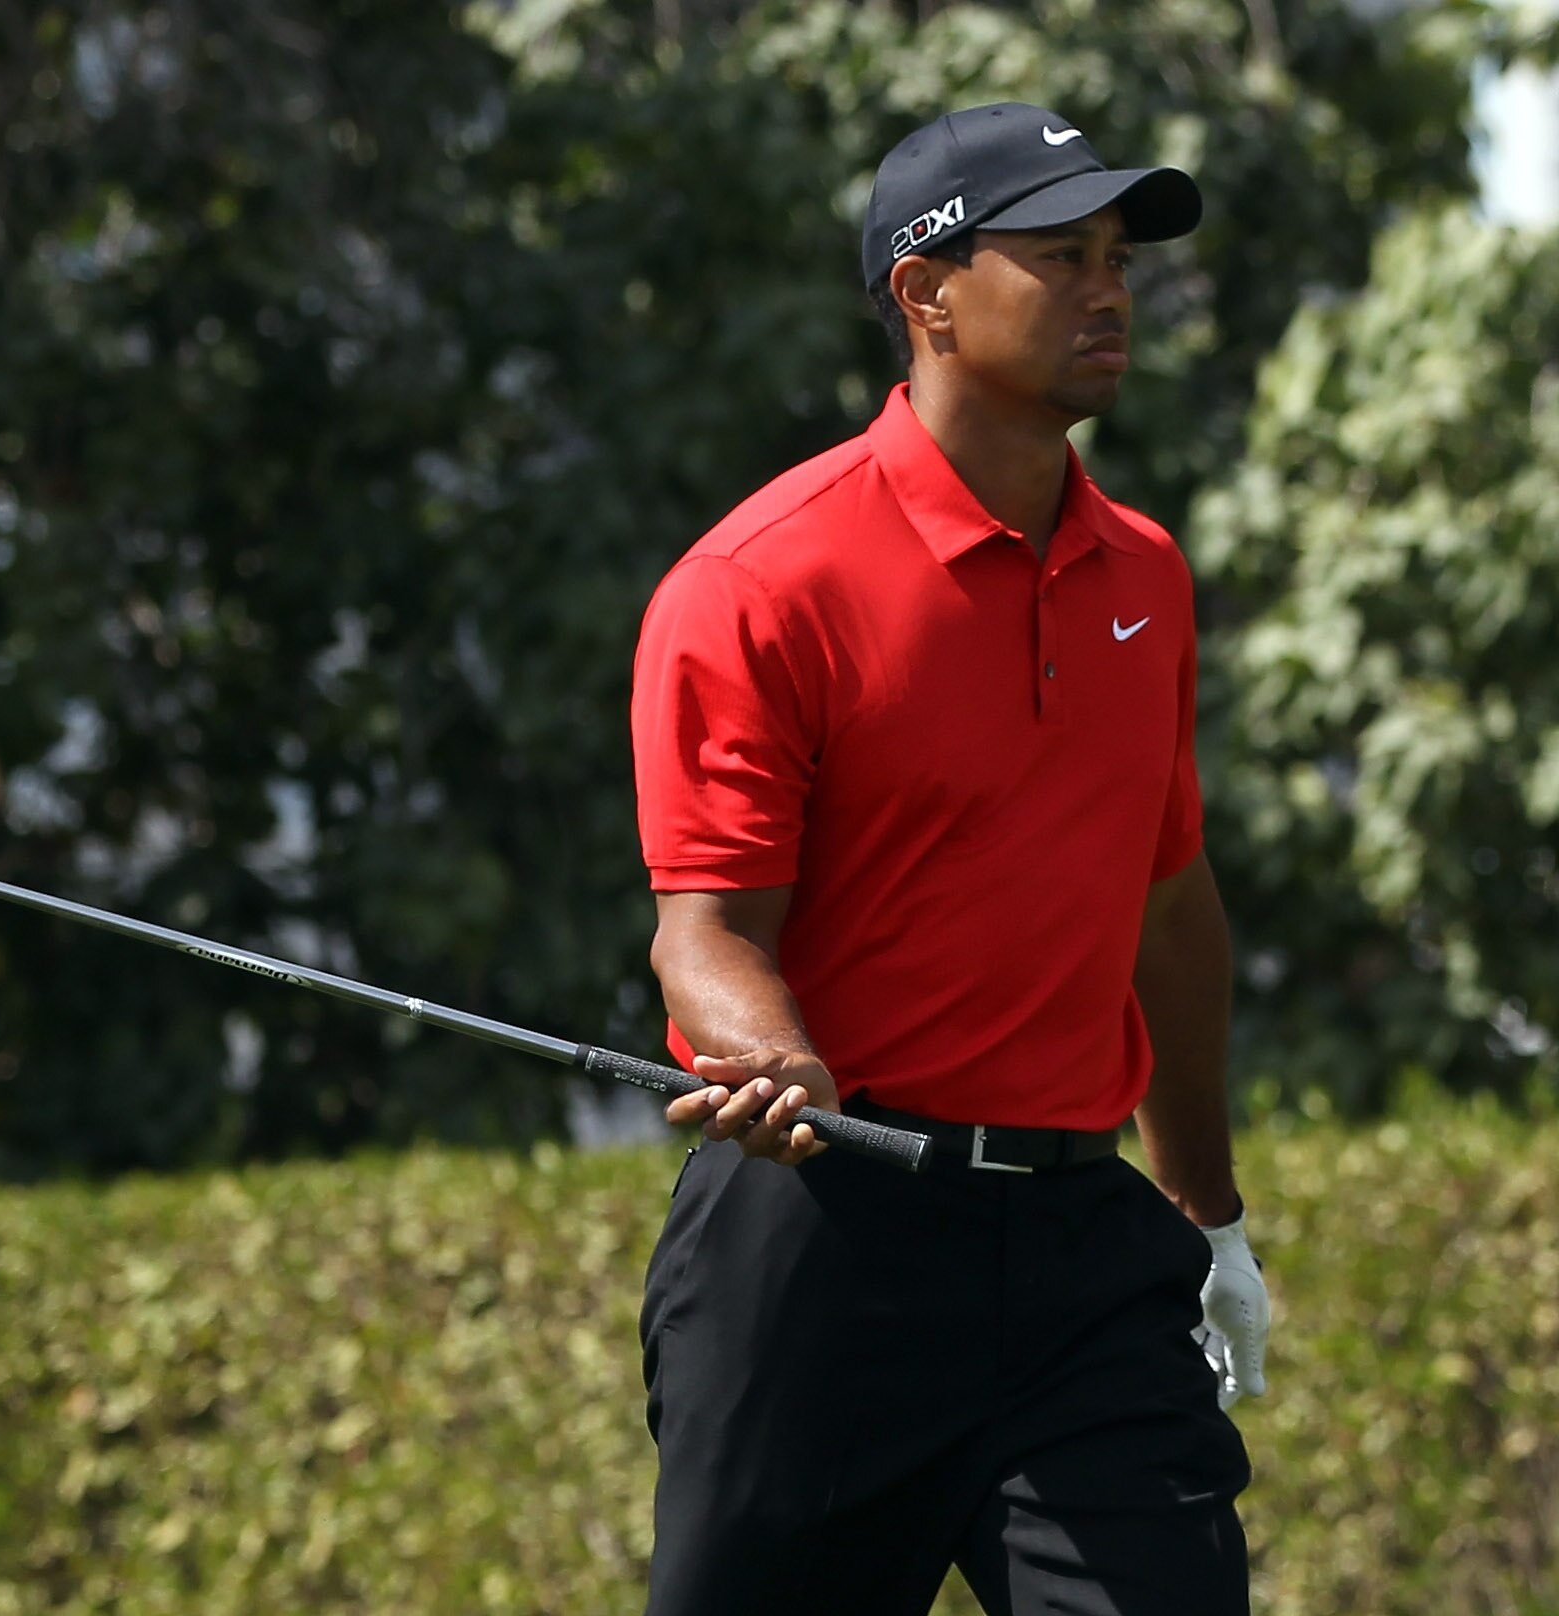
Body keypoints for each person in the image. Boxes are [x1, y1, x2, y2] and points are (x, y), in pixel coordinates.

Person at [628, 103, 1271, 1615]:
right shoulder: (757, 584)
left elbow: (1169, 912)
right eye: (1061, 257)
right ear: (927, 295)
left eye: (1119, 260)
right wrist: (773, 1058)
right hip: (827, 1247)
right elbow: (704, 934)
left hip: (1079, 1257)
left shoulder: (1148, 577)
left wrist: (1212, 1211)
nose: (1110, 292)